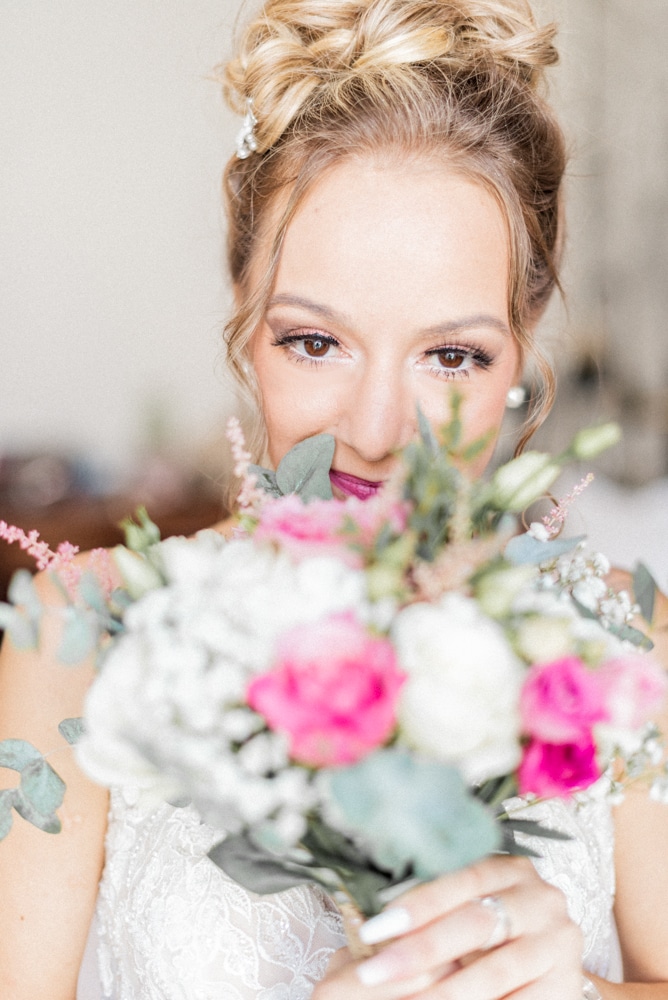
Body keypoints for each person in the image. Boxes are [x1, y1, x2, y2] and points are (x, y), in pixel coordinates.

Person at [1, 0, 667, 997]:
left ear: (522, 351)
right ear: (242, 306)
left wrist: (574, 993)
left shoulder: (615, 641)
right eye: (315, 341)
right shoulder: (79, 635)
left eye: (451, 355)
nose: (374, 431)